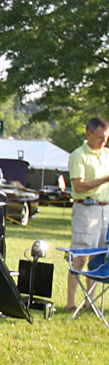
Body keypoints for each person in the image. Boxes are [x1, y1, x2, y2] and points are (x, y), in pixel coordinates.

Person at [66, 117, 109, 311]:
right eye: (100, 137)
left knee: (98, 257)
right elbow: (78, 185)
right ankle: (70, 302)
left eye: (106, 137)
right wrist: (105, 179)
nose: (103, 141)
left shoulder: (107, 154)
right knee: (81, 256)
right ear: (88, 133)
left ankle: (89, 302)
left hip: (105, 209)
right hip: (86, 208)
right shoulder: (79, 155)